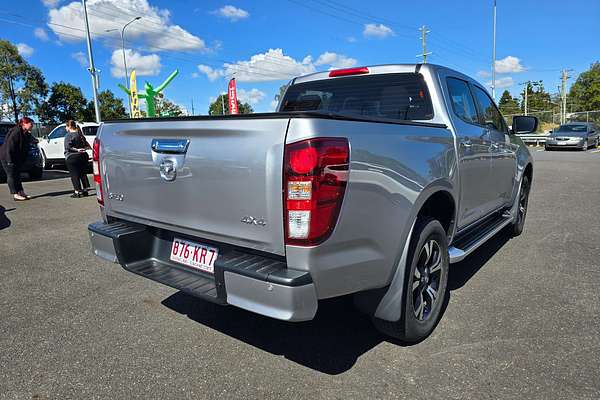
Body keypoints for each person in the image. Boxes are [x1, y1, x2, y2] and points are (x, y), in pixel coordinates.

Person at [0, 117, 35, 201]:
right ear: (24, 123)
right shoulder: (16, 131)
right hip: (7, 156)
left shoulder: (25, 132)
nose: (32, 126)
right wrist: (9, 160)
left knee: (17, 175)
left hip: (16, 157)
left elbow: (28, 143)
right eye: (31, 124)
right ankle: (15, 194)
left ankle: (21, 192)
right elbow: (9, 145)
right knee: (11, 174)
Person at [64, 120, 91, 198]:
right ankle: (85, 190)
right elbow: (87, 145)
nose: (65, 128)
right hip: (83, 156)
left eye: (66, 127)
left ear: (69, 127)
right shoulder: (80, 134)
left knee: (74, 174)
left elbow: (68, 147)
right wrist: (83, 149)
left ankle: (77, 191)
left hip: (72, 157)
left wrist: (77, 150)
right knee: (83, 173)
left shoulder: (68, 135)